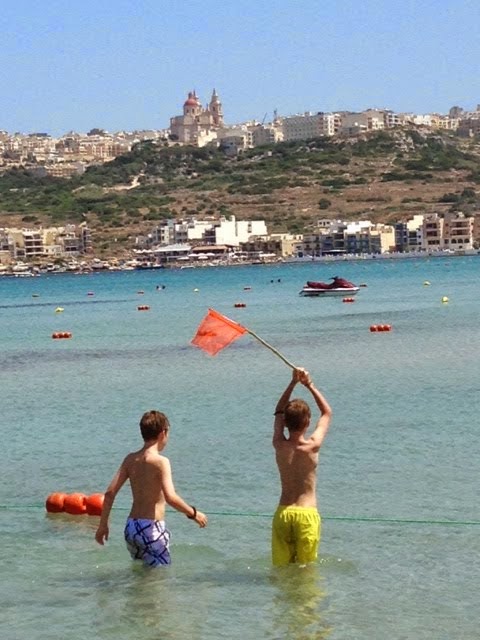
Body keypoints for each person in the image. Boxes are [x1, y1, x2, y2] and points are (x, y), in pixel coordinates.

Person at [95, 410, 207, 567]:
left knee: (142, 577)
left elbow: (109, 493)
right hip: (151, 528)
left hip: (131, 528)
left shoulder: (130, 459)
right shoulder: (161, 462)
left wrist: (103, 525)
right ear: (163, 433)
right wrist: (194, 514)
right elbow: (171, 497)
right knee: (158, 580)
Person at [271, 368, 332, 566]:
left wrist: (292, 383)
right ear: (307, 422)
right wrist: (309, 384)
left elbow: (278, 411)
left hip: (283, 513)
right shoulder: (312, 446)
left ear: (285, 422)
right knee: (306, 571)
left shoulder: (279, 443)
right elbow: (326, 412)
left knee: (282, 569)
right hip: (306, 514)